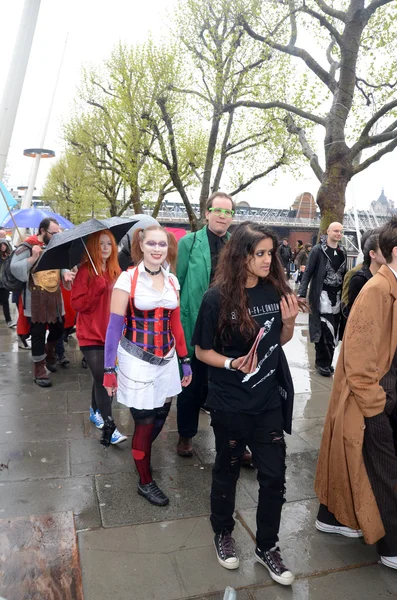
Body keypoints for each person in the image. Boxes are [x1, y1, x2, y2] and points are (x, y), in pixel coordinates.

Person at [191, 221, 299, 585]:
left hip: (268, 402)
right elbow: (201, 351)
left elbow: (279, 342)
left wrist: (289, 322)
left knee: (274, 478)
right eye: (260, 254)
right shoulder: (216, 298)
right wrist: (231, 362)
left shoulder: (274, 291)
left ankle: (266, 545)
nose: (269, 260)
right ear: (241, 256)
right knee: (228, 470)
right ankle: (223, 531)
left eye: (271, 253)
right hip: (230, 403)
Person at [315, 217, 397, 571]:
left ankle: (332, 516)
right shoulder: (377, 290)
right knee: (385, 470)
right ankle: (392, 545)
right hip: (374, 397)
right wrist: (377, 405)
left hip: (383, 393)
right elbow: (359, 359)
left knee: (358, 461)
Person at [103, 225, 192, 506]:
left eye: (162, 244)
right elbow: (113, 329)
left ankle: (140, 455)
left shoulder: (172, 281)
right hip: (135, 360)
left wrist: (185, 360)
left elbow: (175, 324)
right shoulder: (126, 281)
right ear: (140, 246)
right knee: (144, 421)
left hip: (166, 360)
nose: (157, 249)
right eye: (151, 243)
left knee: (161, 415)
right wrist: (108, 370)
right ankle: (144, 480)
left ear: (168, 248)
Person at [176, 191, 235, 458]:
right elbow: (176, 282)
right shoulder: (189, 243)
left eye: (228, 212)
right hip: (197, 321)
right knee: (193, 382)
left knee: (227, 384)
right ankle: (186, 435)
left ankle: (231, 437)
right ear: (207, 213)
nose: (223, 216)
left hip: (229, 325)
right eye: (218, 210)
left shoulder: (236, 245)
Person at [71, 230, 127, 446]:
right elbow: (78, 305)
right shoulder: (85, 272)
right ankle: (110, 426)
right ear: (93, 247)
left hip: (110, 335)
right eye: (101, 244)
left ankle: (95, 410)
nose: (105, 248)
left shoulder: (116, 271)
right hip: (90, 334)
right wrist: (96, 289)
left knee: (99, 377)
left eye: (109, 244)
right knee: (105, 379)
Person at [10, 218, 75, 387]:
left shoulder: (56, 245)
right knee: (38, 333)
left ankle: (50, 351)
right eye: (53, 233)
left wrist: (65, 273)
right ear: (42, 231)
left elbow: (62, 265)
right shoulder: (27, 246)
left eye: (58, 233)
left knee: (58, 328)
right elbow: (14, 268)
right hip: (35, 297)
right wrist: (32, 258)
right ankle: (39, 368)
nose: (56, 236)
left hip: (54, 295)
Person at [298, 222, 346, 377]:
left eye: (341, 231)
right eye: (336, 231)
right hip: (321, 296)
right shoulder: (318, 250)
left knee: (334, 331)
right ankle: (322, 363)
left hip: (337, 296)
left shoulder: (342, 251)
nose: (339, 234)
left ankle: (327, 362)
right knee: (324, 329)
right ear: (328, 231)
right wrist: (301, 293)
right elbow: (308, 273)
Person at [345, 233, 386, 317]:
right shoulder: (359, 280)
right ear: (372, 254)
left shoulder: (388, 277)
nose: (388, 253)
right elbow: (353, 314)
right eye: (384, 249)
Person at [0, 240, 16, 327]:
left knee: (5, 302)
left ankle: (9, 320)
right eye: (1, 245)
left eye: (4, 245)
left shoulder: (10, 256)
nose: (3, 247)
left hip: (5, 282)